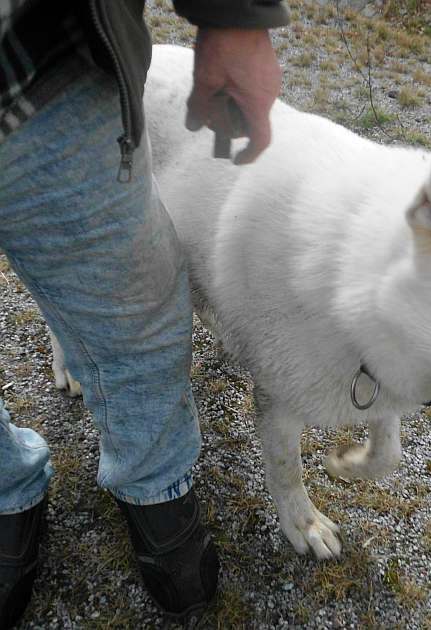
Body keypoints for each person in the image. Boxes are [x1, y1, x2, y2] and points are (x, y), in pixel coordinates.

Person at [0, 1, 288, 626]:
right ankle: (3, 488)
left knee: (137, 306)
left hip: (42, 58)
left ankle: (155, 483)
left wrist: (234, 16)